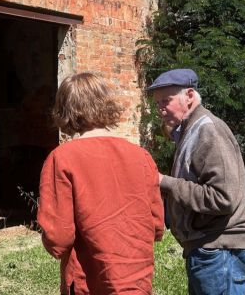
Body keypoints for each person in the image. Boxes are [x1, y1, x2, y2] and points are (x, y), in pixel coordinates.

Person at [37, 72, 164, 295]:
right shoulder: (141, 156)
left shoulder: (62, 158)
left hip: (89, 280)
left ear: (65, 110)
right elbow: (156, 225)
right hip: (137, 281)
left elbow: (58, 237)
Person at [147, 68, 245, 295]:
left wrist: (165, 182)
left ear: (189, 96)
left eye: (166, 100)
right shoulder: (189, 131)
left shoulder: (209, 130)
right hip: (206, 250)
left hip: (218, 251)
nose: (160, 109)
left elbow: (222, 198)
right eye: (157, 103)